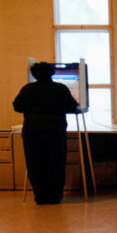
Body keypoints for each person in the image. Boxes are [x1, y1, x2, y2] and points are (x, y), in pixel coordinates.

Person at [13, 62, 79, 204]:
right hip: (55, 130)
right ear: (51, 73)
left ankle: (40, 196)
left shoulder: (28, 89)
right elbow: (73, 106)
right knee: (55, 162)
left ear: (34, 74)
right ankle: (55, 197)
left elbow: (17, 106)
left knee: (35, 163)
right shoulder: (60, 89)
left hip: (32, 131)